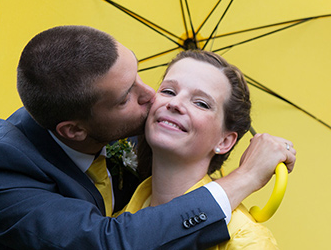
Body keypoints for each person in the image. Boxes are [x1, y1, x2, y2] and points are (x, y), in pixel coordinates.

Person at [0, 25, 296, 249]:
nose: (154, 98)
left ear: (226, 139)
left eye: (139, 76)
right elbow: (114, 243)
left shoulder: (243, 240)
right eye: (125, 98)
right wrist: (246, 177)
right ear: (75, 131)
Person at [122, 50, 295, 249]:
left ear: (224, 141)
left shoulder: (244, 239)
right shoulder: (119, 213)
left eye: (201, 103)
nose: (175, 103)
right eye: (169, 91)